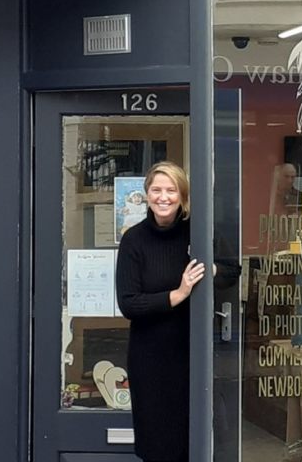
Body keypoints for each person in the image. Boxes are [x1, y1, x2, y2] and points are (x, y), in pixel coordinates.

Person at [117, 161, 204, 462]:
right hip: (150, 359)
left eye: (171, 190)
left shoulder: (197, 234)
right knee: (157, 446)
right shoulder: (133, 240)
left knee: (195, 441)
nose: (163, 197)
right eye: (156, 190)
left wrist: (212, 268)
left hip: (194, 356)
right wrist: (177, 294)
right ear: (146, 194)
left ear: (183, 196)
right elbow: (129, 303)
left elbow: (234, 269)